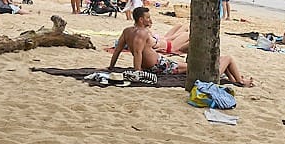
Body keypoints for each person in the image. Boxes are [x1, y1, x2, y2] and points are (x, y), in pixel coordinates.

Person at [107, 7, 254, 85]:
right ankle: (240, 81)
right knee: (216, 62)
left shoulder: (127, 31)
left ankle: (236, 80)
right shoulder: (142, 33)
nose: (150, 19)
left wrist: (111, 67)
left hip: (160, 63)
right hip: (160, 65)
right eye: (148, 17)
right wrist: (137, 73)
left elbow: (118, 50)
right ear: (140, 19)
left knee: (191, 65)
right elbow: (138, 53)